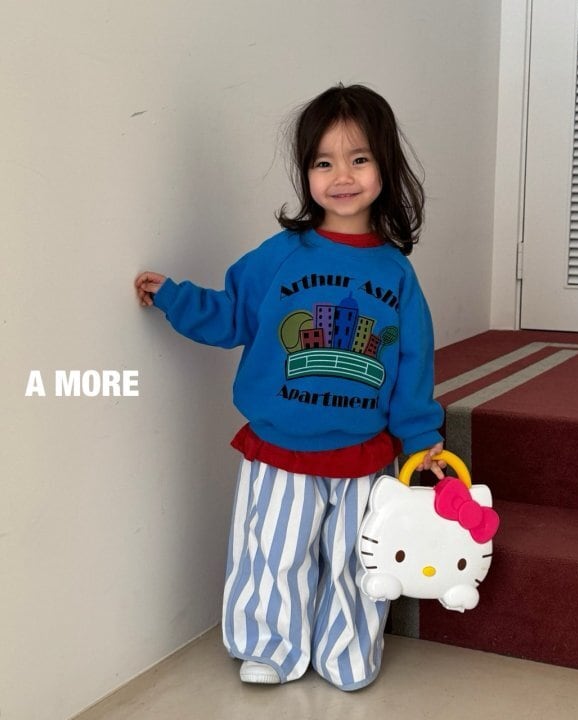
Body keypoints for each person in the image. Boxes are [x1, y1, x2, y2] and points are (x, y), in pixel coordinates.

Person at [134, 84, 445, 691]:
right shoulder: (279, 255)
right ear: (305, 172)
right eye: (323, 162)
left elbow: (412, 364)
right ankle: (269, 646)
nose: (342, 176)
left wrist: (421, 437)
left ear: (385, 165)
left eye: (359, 158)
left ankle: (348, 650)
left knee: (357, 561)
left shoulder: (396, 272)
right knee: (273, 555)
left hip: (364, 455)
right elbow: (231, 315)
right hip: (281, 450)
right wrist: (174, 297)